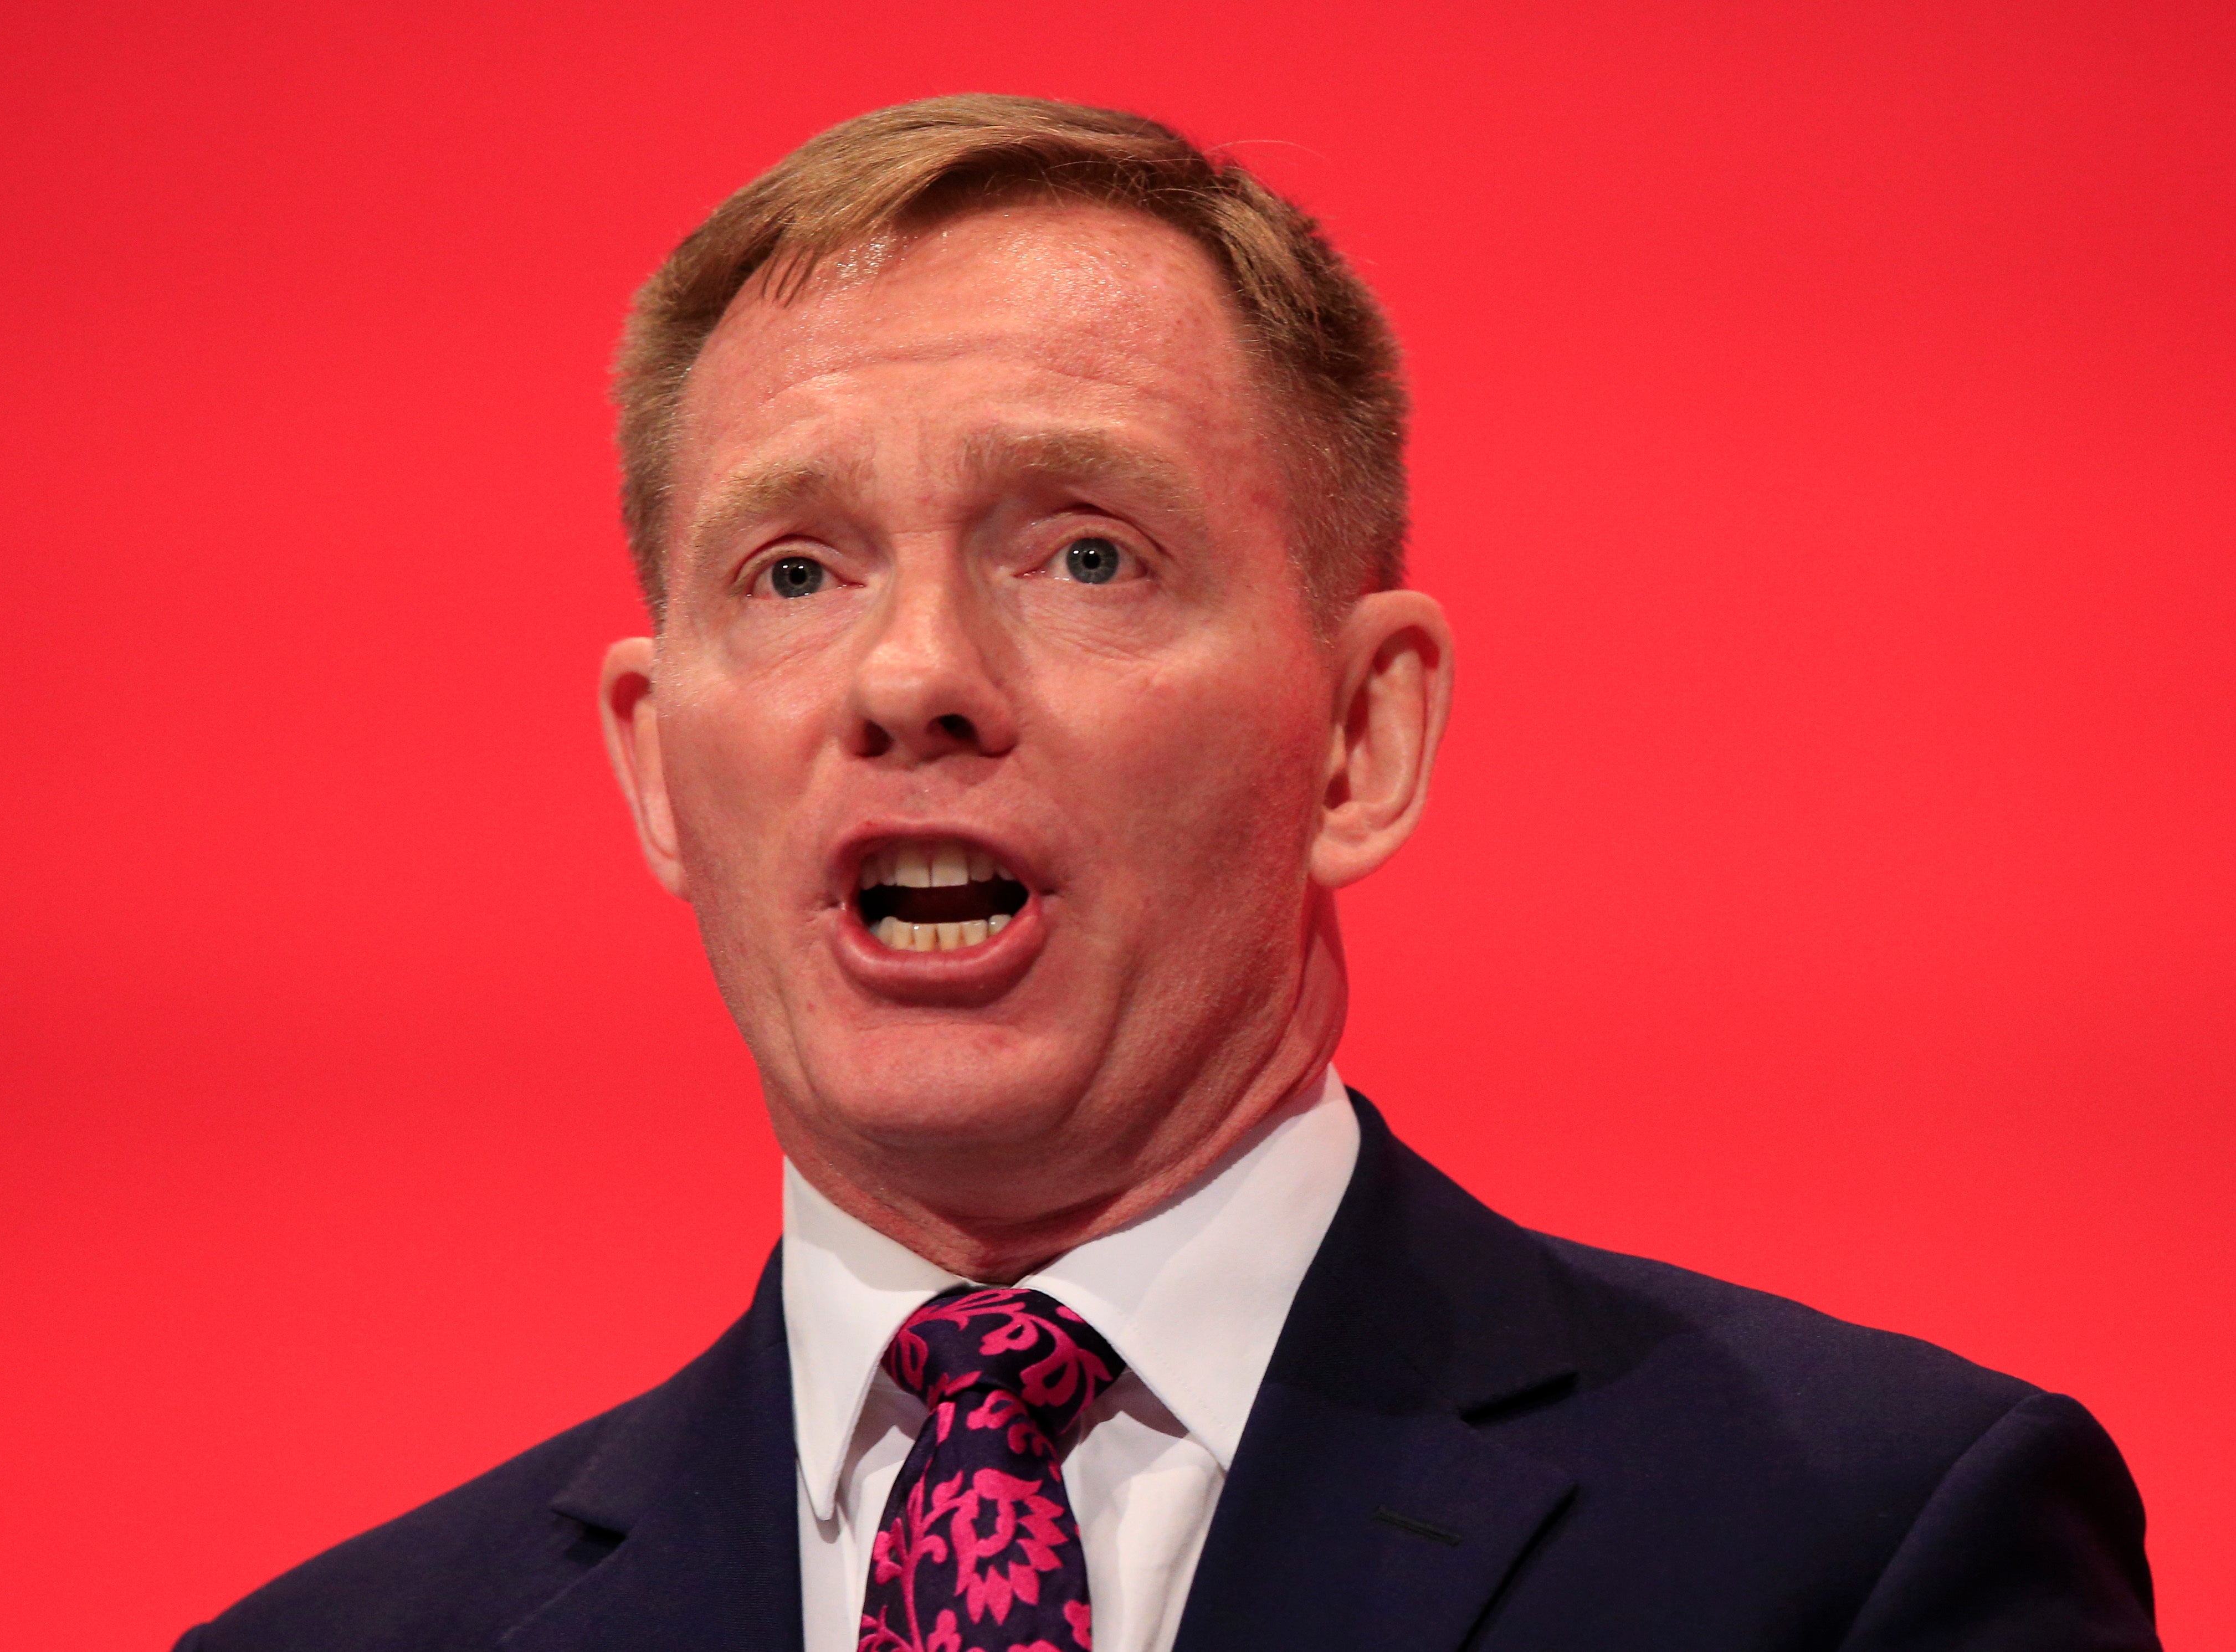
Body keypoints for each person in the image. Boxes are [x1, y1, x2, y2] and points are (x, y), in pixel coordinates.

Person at [175, 95, 2158, 1652]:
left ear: (1361, 735)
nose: (913, 677)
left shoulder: (1850, 1546)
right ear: (659, 770)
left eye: (1085, 553)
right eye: (793, 572)